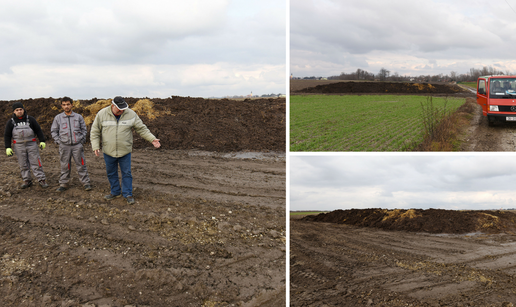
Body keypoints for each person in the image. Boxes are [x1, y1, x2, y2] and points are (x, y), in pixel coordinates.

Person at [90, 96, 161, 204]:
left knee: (126, 173)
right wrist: (95, 146)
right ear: (113, 106)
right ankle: (115, 192)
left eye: (123, 109)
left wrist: (152, 139)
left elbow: (141, 129)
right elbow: (95, 131)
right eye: (119, 109)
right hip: (109, 151)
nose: (121, 111)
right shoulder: (102, 114)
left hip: (125, 151)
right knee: (111, 173)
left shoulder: (131, 114)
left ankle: (127, 193)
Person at [51, 96, 92, 192]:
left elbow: (84, 130)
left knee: (81, 164)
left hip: (77, 145)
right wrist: (58, 141)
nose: (66, 106)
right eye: (64, 105)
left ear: (72, 105)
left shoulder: (78, 117)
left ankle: (86, 183)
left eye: (68, 104)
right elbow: (53, 131)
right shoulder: (58, 118)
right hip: (64, 146)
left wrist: (81, 140)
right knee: (65, 165)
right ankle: (64, 183)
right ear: (61, 106)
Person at [4, 101, 48, 189]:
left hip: (31, 144)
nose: (19, 111)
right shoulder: (11, 122)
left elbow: (38, 130)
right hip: (19, 146)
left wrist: (42, 141)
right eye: (17, 110)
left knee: (36, 162)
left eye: (21, 109)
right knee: (23, 163)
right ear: (14, 111)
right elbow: (7, 135)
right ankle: (27, 180)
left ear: (23, 110)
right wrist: (8, 147)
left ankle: (41, 179)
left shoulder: (30, 119)